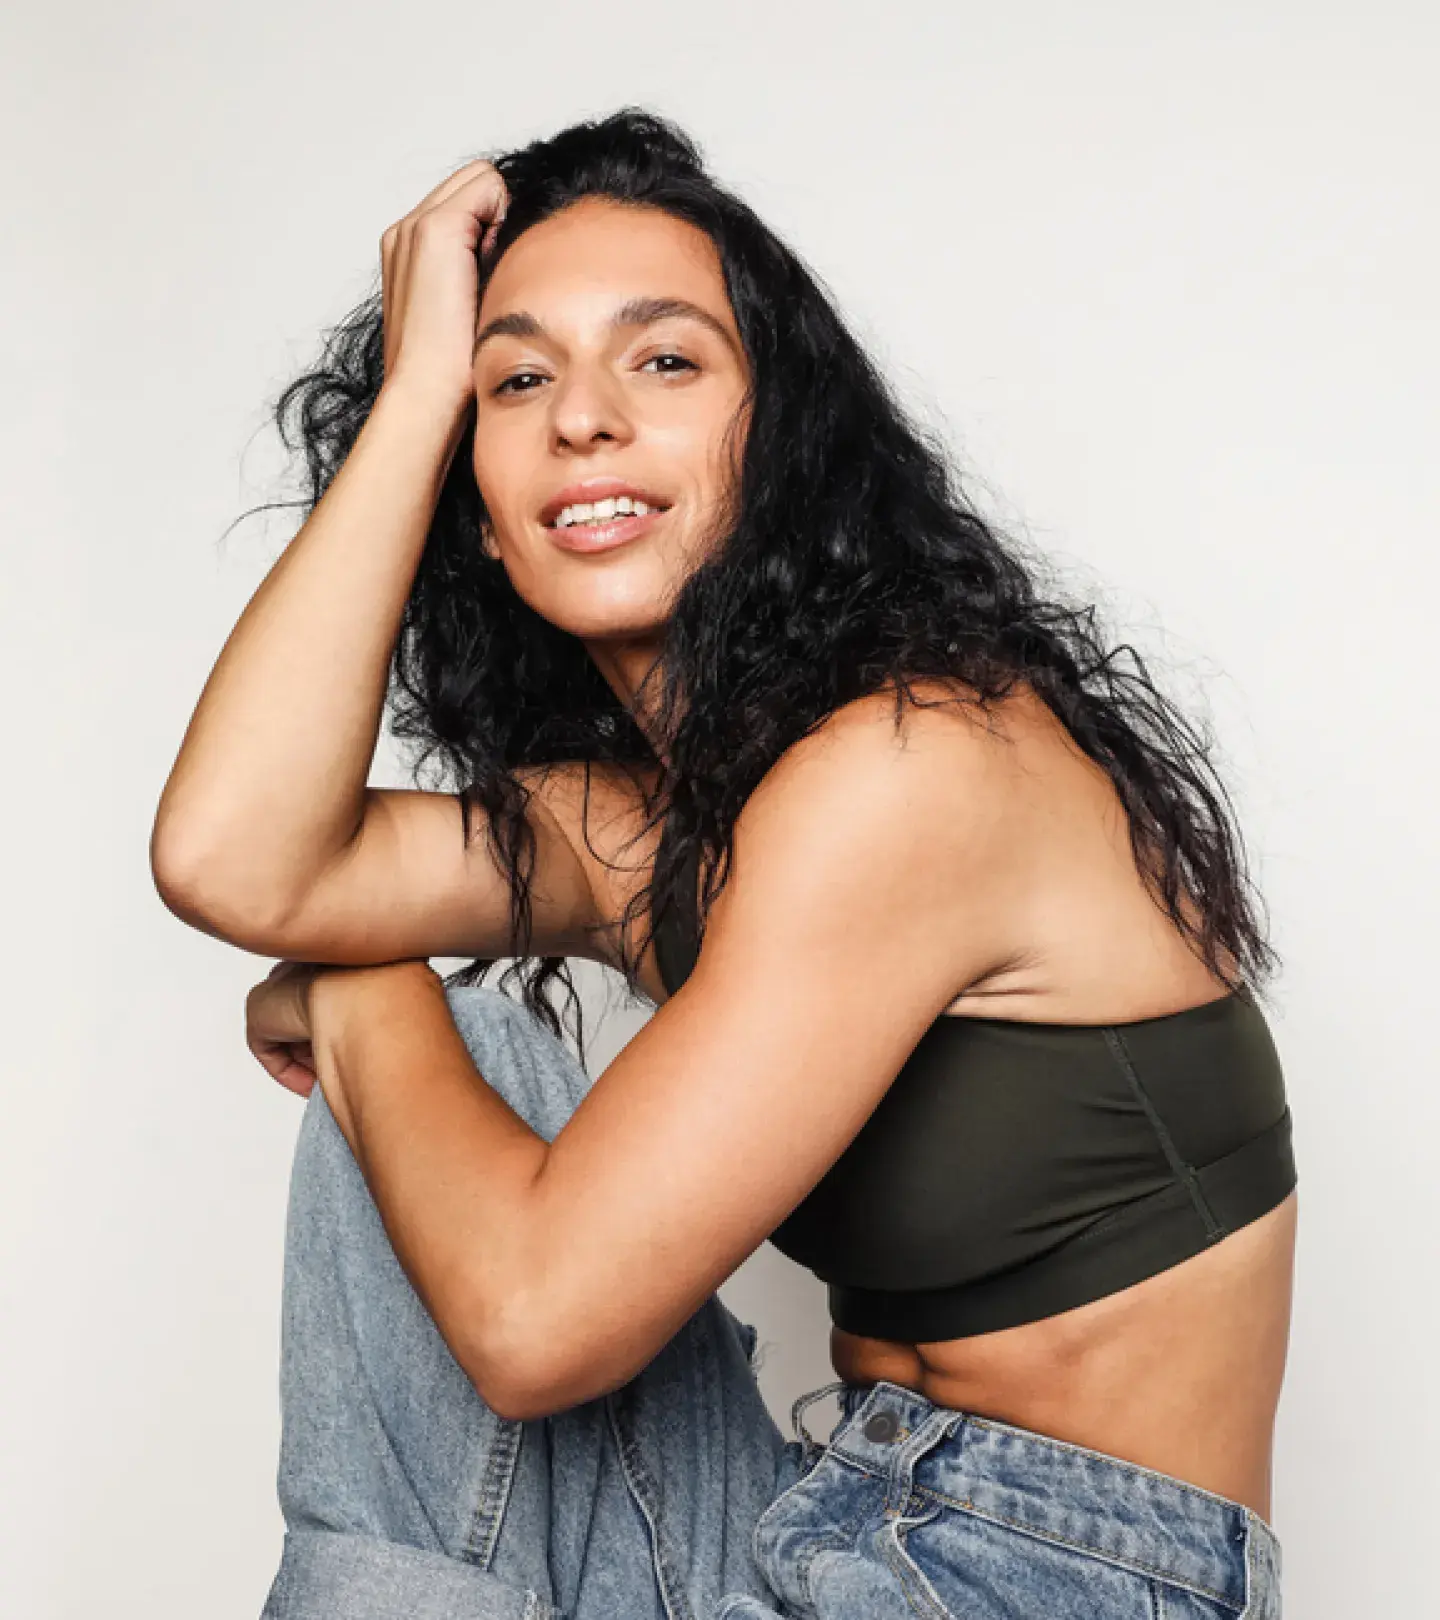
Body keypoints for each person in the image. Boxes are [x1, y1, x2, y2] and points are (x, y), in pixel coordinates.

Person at [150, 107, 1296, 1619]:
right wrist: (419, 392)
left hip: (1059, 1578)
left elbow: (538, 1321)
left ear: (782, 443)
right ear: (478, 515)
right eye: (519, 380)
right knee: (470, 1035)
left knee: (419, 1025)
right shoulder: (666, 827)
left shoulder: (917, 767)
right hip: (829, 1515)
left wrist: (362, 1010)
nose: (584, 419)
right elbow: (238, 859)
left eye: (665, 359)